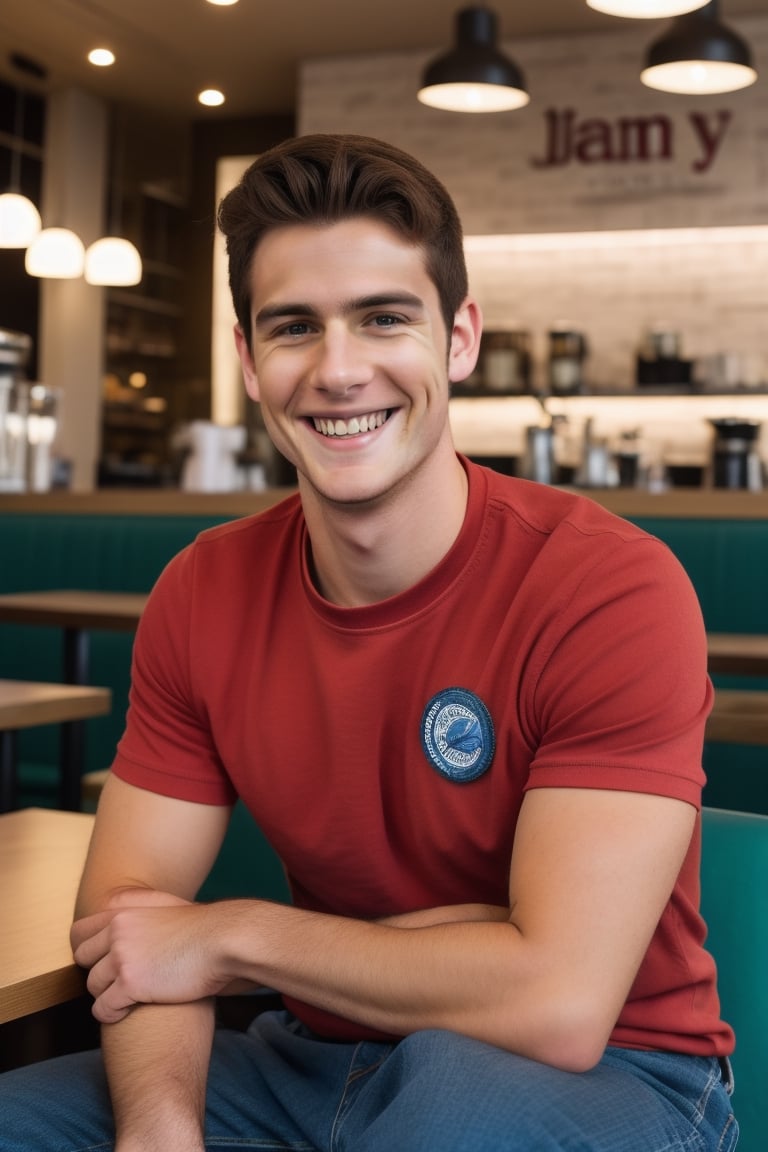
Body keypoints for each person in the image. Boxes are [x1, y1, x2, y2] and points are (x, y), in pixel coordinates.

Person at [0, 134, 737, 1152]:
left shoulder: (608, 586)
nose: (340, 371)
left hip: (618, 1067)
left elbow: (556, 1000)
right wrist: (159, 1130)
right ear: (250, 363)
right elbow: (134, 927)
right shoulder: (202, 590)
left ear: (460, 339)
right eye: (294, 327)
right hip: (307, 1054)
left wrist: (232, 938)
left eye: (384, 318)